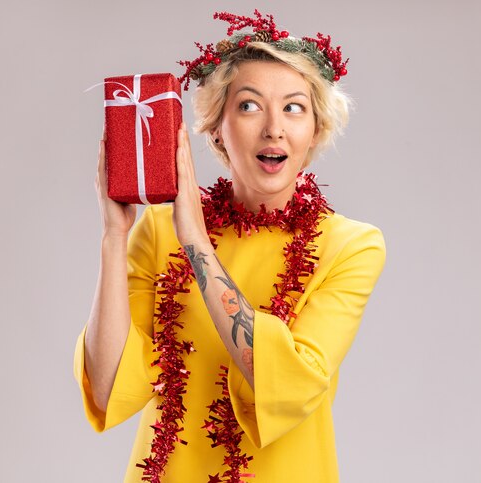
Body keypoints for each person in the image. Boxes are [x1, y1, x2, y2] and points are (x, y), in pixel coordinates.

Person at [74, 10, 387, 483]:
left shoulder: (352, 247)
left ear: (316, 130)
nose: (273, 128)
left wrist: (196, 242)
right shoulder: (159, 232)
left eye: (295, 107)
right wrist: (114, 237)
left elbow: (284, 382)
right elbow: (107, 384)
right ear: (216, 127)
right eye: (249, 105)